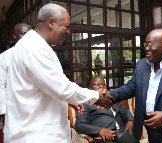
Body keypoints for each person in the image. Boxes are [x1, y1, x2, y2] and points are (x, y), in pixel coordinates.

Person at [3, 3, 114, 143]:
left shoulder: (37, 45)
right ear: (51, 23)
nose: (68, 31)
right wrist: (95, 95)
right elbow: (61, 88)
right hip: (35, 134)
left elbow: (49, 86)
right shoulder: (34, 47)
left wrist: (71, 100)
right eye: (66, 26)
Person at [75, 76, 139, 143]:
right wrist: (99, 130)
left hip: (123, 134)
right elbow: (80, 125)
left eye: (103, 84)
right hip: (106, 138)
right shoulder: (85, 104)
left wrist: (130, 120)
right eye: (97, 85)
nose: (101, 87)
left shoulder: (112, 99)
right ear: (90, 88)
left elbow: (125, 112)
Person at [0, 23, 32, 126]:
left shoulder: (38, 54)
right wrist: (4, 112)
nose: (27, 37)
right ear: (14, 36)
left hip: (34, 106)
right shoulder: (4, 57)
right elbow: (1, 86)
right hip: (14, 107)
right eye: (23, 34)